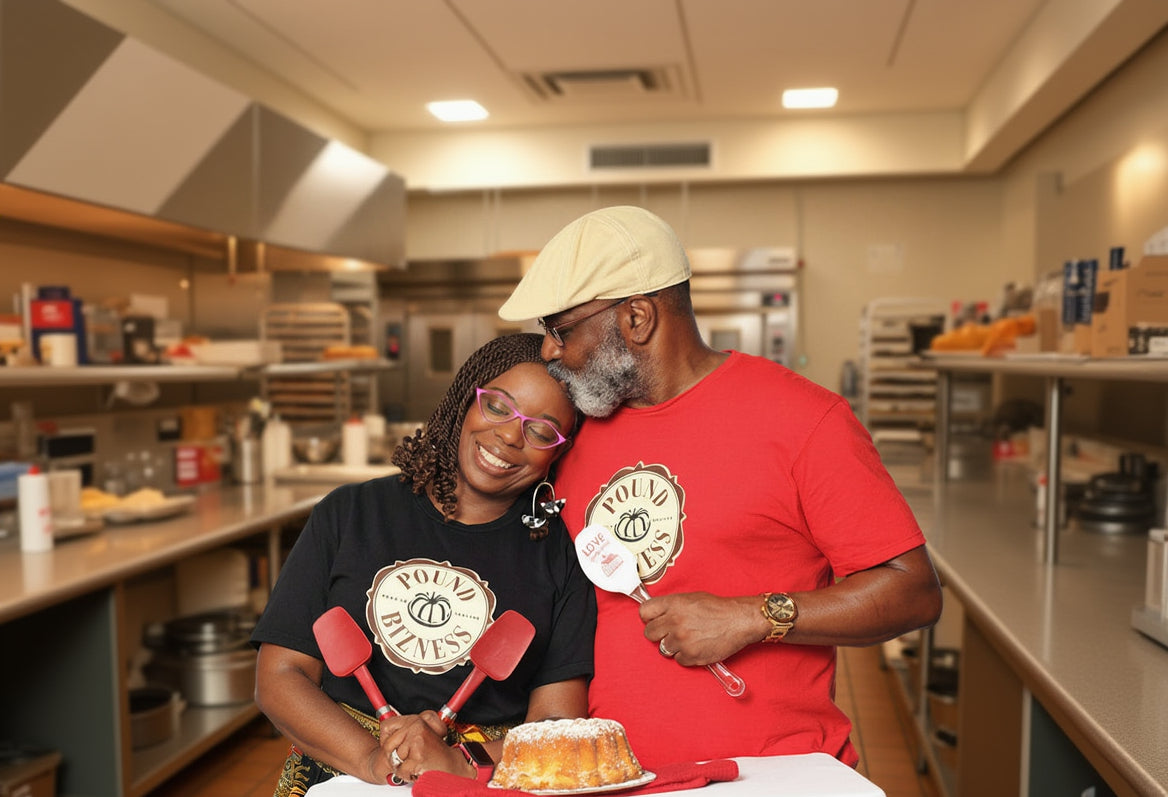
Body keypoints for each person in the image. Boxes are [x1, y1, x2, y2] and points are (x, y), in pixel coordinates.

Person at [498, 206, 943, 770]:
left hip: (770, 774)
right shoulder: (574, 431)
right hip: (609, 775)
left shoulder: (805, 420)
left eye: (560, 331)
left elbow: (914, 592)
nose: (549, 352)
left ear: (637, 318)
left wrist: (752, 616)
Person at [251, 333, 596, 794]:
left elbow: (556, 724)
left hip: (481, 777)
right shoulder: (350, 513)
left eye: (540, 430)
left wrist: (459, 761)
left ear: (560, 449)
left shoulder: (560, 553)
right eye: (497, 406)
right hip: (342, 771)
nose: (510, 436)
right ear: (466, 398)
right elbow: (280, 678)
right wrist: (373, 760)